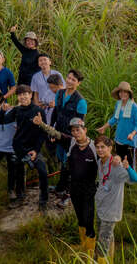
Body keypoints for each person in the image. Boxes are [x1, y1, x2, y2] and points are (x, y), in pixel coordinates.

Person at [0, 85, 61, 209]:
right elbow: (2, 121)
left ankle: (43, 200)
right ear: (18, 97)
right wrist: (2, 110)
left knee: (43, 172)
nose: (23, 97)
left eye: (25, 94)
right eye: (20, 94)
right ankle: (20, 197)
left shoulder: (38, 110)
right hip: (19, 147)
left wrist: (36, 150)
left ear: (30, 95)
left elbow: (43, 133)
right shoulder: (17, 110)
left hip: (33, 147)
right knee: (19, 172)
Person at [94, 135, 137, 263]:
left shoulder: (115, 165)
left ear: (110, 148)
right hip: (101, 208)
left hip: (111, 211)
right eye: (97, 147)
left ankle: (101, 261)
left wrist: (127, 167)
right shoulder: (100, 162)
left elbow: (135, 179)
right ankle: (109, 259)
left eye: (103, 147)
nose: (100, 150)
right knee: (105, 238)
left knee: (103, 242)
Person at [64, 118, 99, 259]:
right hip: (74, 187)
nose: (75, 133)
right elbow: (57, 135)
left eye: (78, 129)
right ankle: (83, 244)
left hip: (89, 188)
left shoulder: (95, 147)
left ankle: (90, 252)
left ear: (85, 130)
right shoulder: (72, 143)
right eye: (73, 131)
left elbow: (105, 161)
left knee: (88, 218)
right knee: (80, 217)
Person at [51, 69, 88, 198]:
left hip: (70, 136)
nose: (69, 81)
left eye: (73, 80)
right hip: (58, 133)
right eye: (68, 78)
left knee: (69, 162)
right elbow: (55, 112)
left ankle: (65, 190)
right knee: (61, 158)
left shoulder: (81, 101)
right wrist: (52, 130)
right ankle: (61, 186)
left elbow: (79, 124)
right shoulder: (59, 93)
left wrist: (76, 139)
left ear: (78, 83)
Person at [97, 81, 137, 168]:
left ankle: (130, 180)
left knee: (129, 164)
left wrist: (132, 134)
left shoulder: (134, 107)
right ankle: (120, 179)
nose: (123, 94)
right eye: (121, 92)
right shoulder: (118, 104)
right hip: (119, 138)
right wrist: (104, 127)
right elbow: (115, 118)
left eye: (125, 92)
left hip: (129, 141)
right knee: (119, 161)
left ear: (129, 93)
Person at [30, 54, 65, 121]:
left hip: (55, 105)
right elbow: (36, 93)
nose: (43, 62)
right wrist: (37, 105)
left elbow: (63, 90)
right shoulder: (35, 77)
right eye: (40, 60)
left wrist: (56, 102)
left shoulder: (57, 74)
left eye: (45, 60)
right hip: (43, 106)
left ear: (50, 62)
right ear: (38, 64)